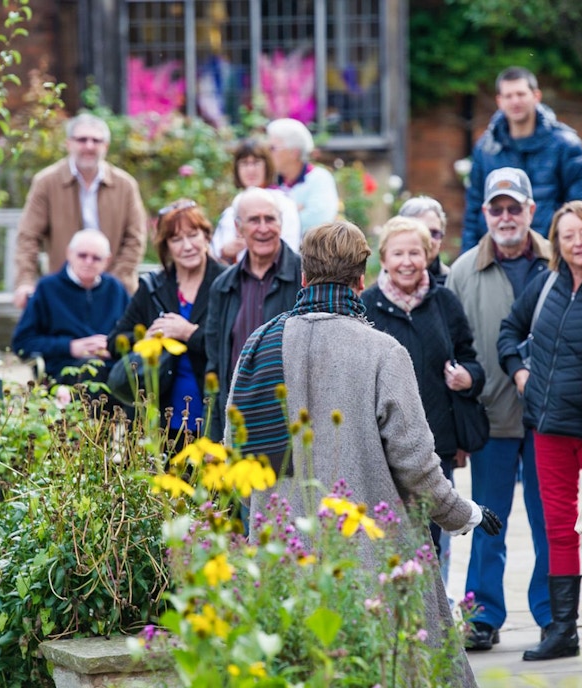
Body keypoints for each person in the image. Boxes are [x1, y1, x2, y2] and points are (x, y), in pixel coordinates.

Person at [227, 220, 502, 688]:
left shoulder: (258, 345)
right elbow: (417, 467)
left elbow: (238, 455)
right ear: (362, 278)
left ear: (304, 276)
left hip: (283, 557)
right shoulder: (382, 351)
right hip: (372, 561)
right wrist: (465, 514)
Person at [495, 201, 582, 660]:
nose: (578, 243)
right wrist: (519, 373)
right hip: (547, 429)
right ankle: (562, 631)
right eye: (568, 236)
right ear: (557, 244)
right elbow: (509, 331)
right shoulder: (544, 285)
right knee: (559, 529)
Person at [446, 167, 553, 651]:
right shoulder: (464, 270)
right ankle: (482, 615)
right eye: (497, 208)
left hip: (552, 418)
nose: (506, 216)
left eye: (516, 208)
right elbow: (451, 348)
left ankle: (556, 614)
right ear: (485, 212)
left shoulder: (559, 260)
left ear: (532, 211)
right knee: (487, 521)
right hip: (490, 419)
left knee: (548, 519)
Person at [360, 216, 485, 583]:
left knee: (431, 541)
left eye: (415, 252)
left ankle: (433, 624)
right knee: (386, 538)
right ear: (383, 258)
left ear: (428, 255)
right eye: (398, 253)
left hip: (436, 446)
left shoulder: (444, 302)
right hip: (382, 447)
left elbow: (470, 357)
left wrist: (468, 378)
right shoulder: (366, 305)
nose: (407, 261)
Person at [108, 200, 227, 443]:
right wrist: (146, 338)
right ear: (166, 247)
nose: (187, 246)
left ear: (206, 236)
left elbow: (236, 344)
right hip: (160, 418)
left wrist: (189, 333)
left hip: (212, 414)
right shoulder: (153, 287)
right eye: (176, 239)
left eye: (193, 235)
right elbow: (114, 342)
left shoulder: (227, 282)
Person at [13, 113, 147, 306]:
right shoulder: (46, 182)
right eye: (82, 140)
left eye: (96, 140)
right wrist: (25, 281)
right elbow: (28, 237)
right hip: (63, 289)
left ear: (106, 146)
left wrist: (112, 284)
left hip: (116, 290)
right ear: (69, 144)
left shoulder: (125, 185)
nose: (89, 146)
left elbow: (136, 238)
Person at [205, 187, 303, 441]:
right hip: (238, 419)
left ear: (281, 224)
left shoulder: (305, 276)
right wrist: (214, 434)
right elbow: (214, 363)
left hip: (290, 419)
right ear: (239, 229)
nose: (263, 228)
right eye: (253, 220)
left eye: (270, 219)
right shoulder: (223, 286)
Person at [461, 66, 582, 251]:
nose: (515, 101)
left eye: (521, 94)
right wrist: (467, 261)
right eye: (508, 96)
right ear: (499, 101)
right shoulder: (486, 149)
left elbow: (581, 207)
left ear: (536, 96)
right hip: (499, 253)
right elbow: (474, 209)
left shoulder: (565, 145)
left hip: (552, 253)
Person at [11, 228, 129, 385]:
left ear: (107, 261)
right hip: (63, 370)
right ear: (69, 254)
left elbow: (130, 333)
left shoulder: (116, 289)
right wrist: (70, 347)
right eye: (82, 255)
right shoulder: (48, 288)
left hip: (111, 367)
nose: (88, 262)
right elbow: (22, 343)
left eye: (96, 258)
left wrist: (111, 347)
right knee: (91, 370)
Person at [211, 139, 302, 263]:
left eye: (256, 163)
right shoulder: (231, 210)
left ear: (267, 165)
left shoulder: (283, 203)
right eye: (244, 163)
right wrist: (225, 251)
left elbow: (291, 248)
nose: (250, 170)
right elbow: (215, 252)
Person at [266, 118, 339, 233]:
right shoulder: (271, 179)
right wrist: (295, 210)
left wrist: (279, 215)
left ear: (294, 153)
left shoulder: (319, 178)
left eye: (272, 148)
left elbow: (318, 223)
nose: (267, 153)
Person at [398, 195, 451, 287]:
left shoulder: (453, 283)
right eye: (420, 232)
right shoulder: (382, 288)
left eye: (434, 233)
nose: (428, 239)